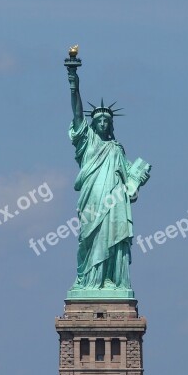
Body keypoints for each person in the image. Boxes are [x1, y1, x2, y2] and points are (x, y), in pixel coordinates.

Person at [67, 68, 150, 292]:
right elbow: (77, 115)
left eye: (106, 120)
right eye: (99, 120)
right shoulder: (87, 142)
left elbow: (128, 178)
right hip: (92, 198)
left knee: (112, 237)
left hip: (114, 200)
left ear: (111, 125)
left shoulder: (116, 149)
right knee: (90, 238)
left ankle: (110, 279)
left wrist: (138, 177)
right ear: (92, 124)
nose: (103, 123)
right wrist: (73, 82)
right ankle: (89, 280)